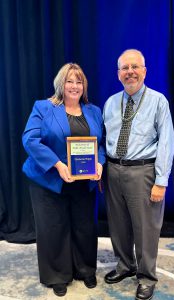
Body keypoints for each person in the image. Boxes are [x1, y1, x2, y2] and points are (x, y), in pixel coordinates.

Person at [22, 63, 105, 297]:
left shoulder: (94, 111)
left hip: (83, 181)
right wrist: (57, 165)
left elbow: (100, 143)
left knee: (85, 226)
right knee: (53, 227)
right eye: (70, 81)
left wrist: (99, 163)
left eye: (79, 82)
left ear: (84, 86)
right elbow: (30, 140)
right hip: (49, 179)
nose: (75, 86)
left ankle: (85, 269)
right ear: (61, 84)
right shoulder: (44, 107)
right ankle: (57, 275)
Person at [103, 49, 174, 300]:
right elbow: (104, 141)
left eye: (135, 67)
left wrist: (161, 181)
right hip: (112, 171)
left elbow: (167, 142)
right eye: (125, 68)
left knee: (146, 229)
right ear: (118, 74)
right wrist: (100, 170)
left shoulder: (158, 101)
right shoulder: (111, 102)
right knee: (118, 224)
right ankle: (125, 266)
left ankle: (147, 277)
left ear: (144, 71)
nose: (130, 72)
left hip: (143, 172)